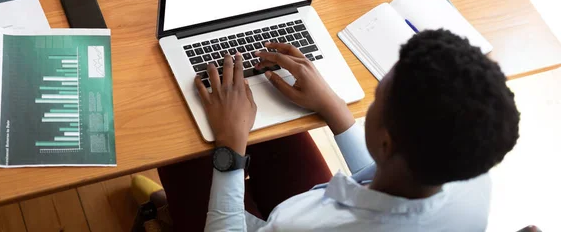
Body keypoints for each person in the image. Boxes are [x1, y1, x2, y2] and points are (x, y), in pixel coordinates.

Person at [155, 29, 520, 231]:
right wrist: (331, 106)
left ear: (387, 141)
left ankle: (174, 213)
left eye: (378, 97)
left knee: (181, 145)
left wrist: (231, 149)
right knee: (277, 129)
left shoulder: (309, 227)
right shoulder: (470, 174)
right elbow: (392, 168)